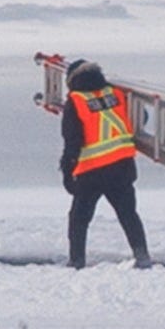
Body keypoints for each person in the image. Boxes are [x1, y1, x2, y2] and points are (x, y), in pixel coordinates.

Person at [59, 60, 151, 270]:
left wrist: (67, 172)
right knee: (128, 215)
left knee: (79, 219)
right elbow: (140, 116)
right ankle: (142, 256)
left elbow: (72, 141)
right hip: (122, 166)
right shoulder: (115, 93)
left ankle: (76, 261)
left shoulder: (76, 100)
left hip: (91, 171)